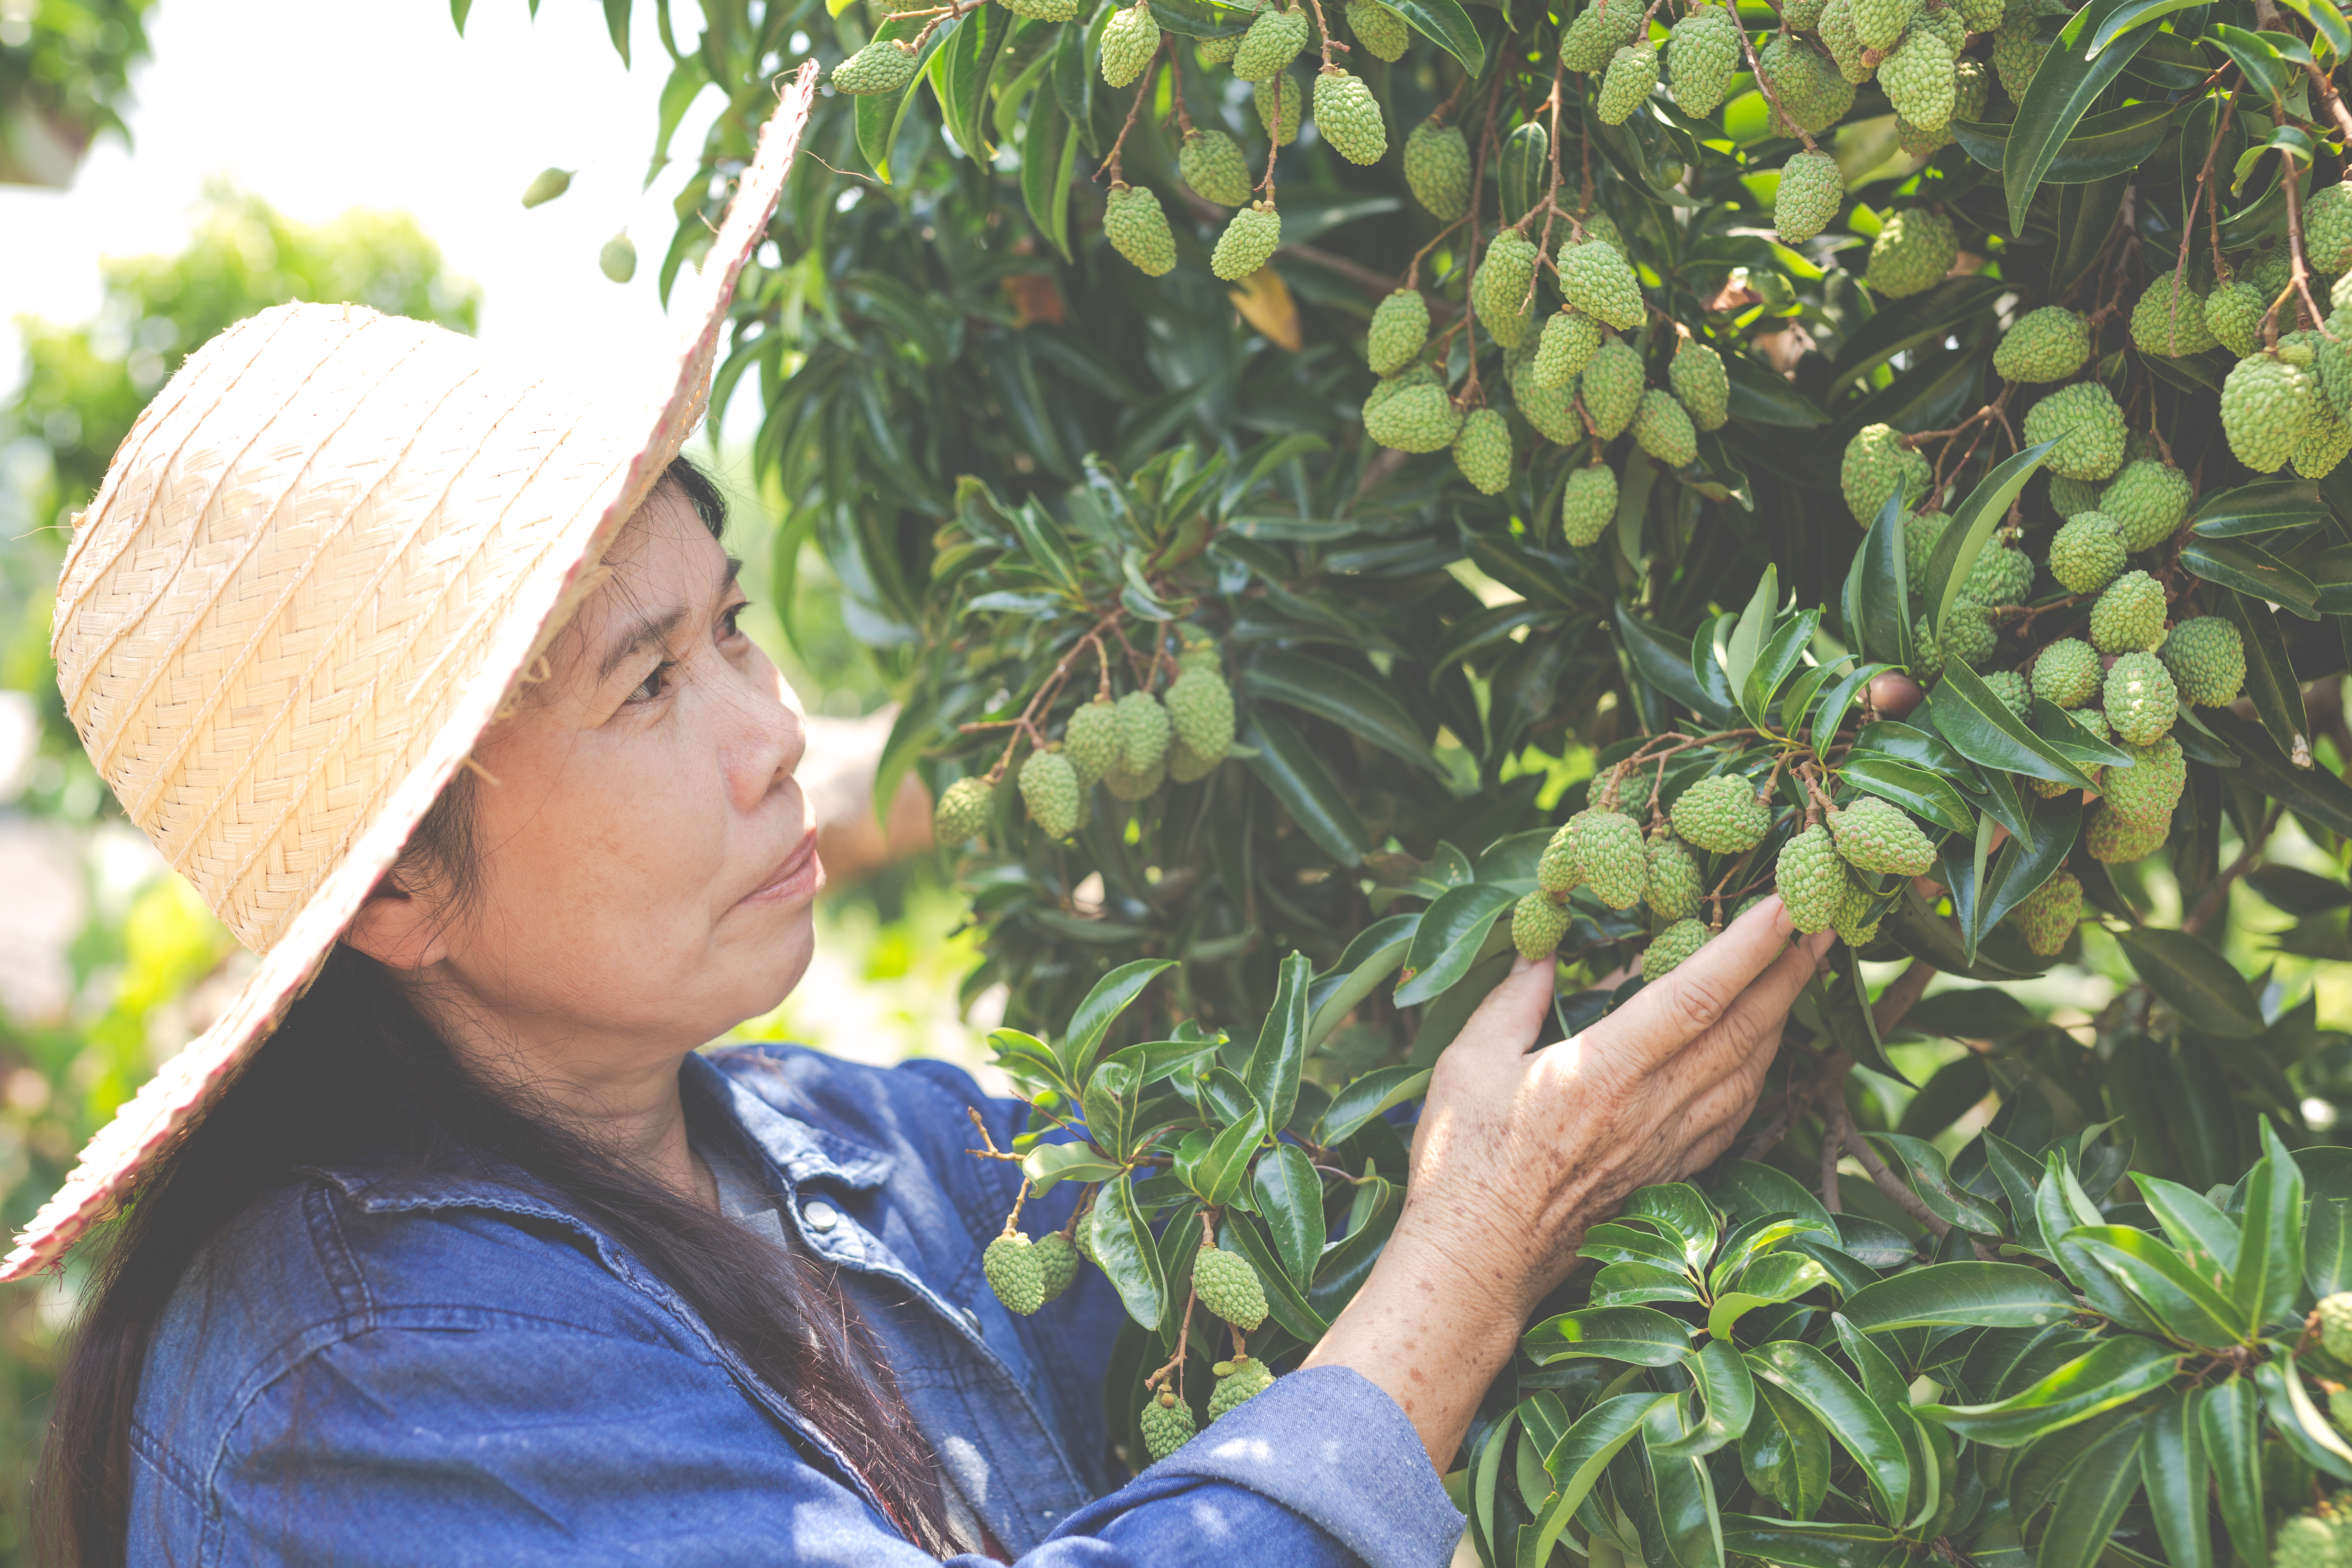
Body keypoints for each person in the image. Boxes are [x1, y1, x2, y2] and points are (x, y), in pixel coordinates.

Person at [15, 77, 1833, 1568]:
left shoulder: (821, 1142)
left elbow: (1269, 1170)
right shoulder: (374, 1388)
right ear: (402, 887)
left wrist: (1735, 794)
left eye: (732, 625)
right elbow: (1440, 1224)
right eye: (647, 686)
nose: (771, 728)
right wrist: (1484, 1243)